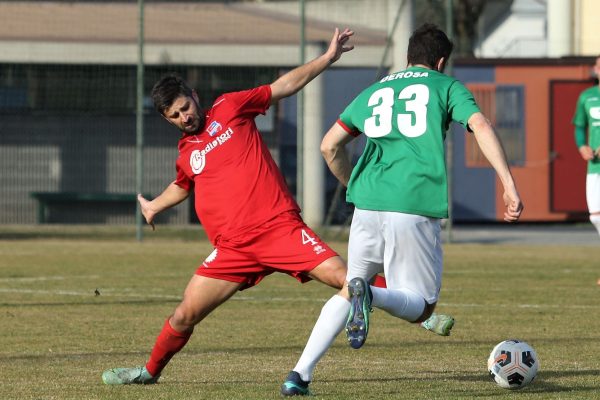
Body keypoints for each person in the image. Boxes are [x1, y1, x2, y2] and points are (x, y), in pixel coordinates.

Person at [101, 28, 358, 386]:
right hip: (233, 249)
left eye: (186, 107)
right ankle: (149, 372)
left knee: (348, 280)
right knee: (183, 314)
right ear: (166, 119)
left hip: (278, 229)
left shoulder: (230, 106)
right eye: (174, 115)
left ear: (195, 95)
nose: (184, 117)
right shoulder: (187, 152)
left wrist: (328, 58)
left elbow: (282, 86)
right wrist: (152, 207)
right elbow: (181, 185)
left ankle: (417, 308)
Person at [280, 23, 523, 396]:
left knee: (346, 292)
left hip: (367, 205)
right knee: (422, 307)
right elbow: (481, 124)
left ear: (409, 57)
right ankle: (371, 294)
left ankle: (299, 374)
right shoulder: (446, 86)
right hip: (412, 203)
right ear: (441, 61)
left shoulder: (376, 90)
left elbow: (330, 146)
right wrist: (508, 184)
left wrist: (356, 187)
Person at [572, 55, 600, 239]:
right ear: (596, 70)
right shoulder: (587, 96)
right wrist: (582, 146)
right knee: (596, 216)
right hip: (595, 165)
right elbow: (579, 126)